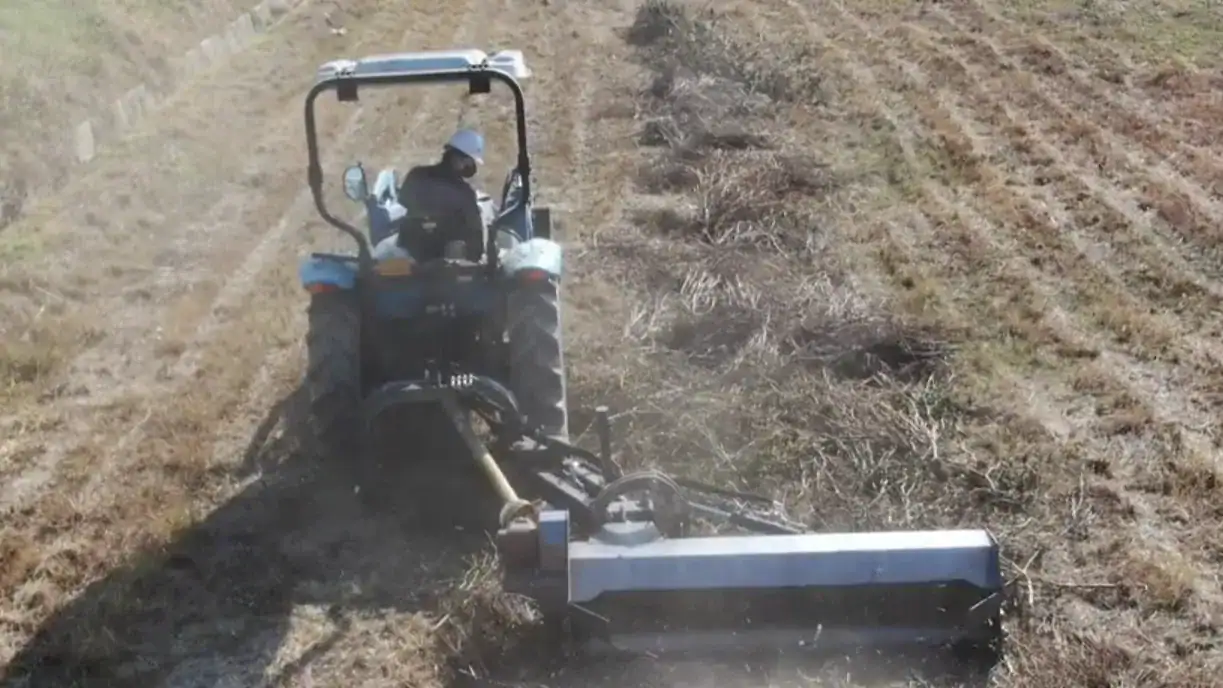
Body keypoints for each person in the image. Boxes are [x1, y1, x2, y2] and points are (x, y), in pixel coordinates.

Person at [396, 128, 488, 262]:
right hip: (449, 274)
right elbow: (476, 244)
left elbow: (401, 209)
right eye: (470, 161)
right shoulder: (464, 193)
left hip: (410, 266)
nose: (471, 166)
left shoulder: (416, 176)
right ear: (459, 159)